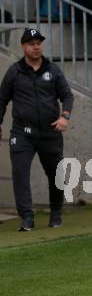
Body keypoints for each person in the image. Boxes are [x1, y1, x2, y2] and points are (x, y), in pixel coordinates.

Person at [0, 28, 74, 231]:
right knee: (20, 173)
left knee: (55, 174)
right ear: (23, 47)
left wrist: (64, 116)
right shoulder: (14, 72)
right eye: (31, 43)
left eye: (38, 43)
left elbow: (67, 96)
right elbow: (2, 100)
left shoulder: (53, 70)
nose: (36, 47)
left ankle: (56, 213)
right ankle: (26, 217)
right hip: (22, 133)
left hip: (50, 132)